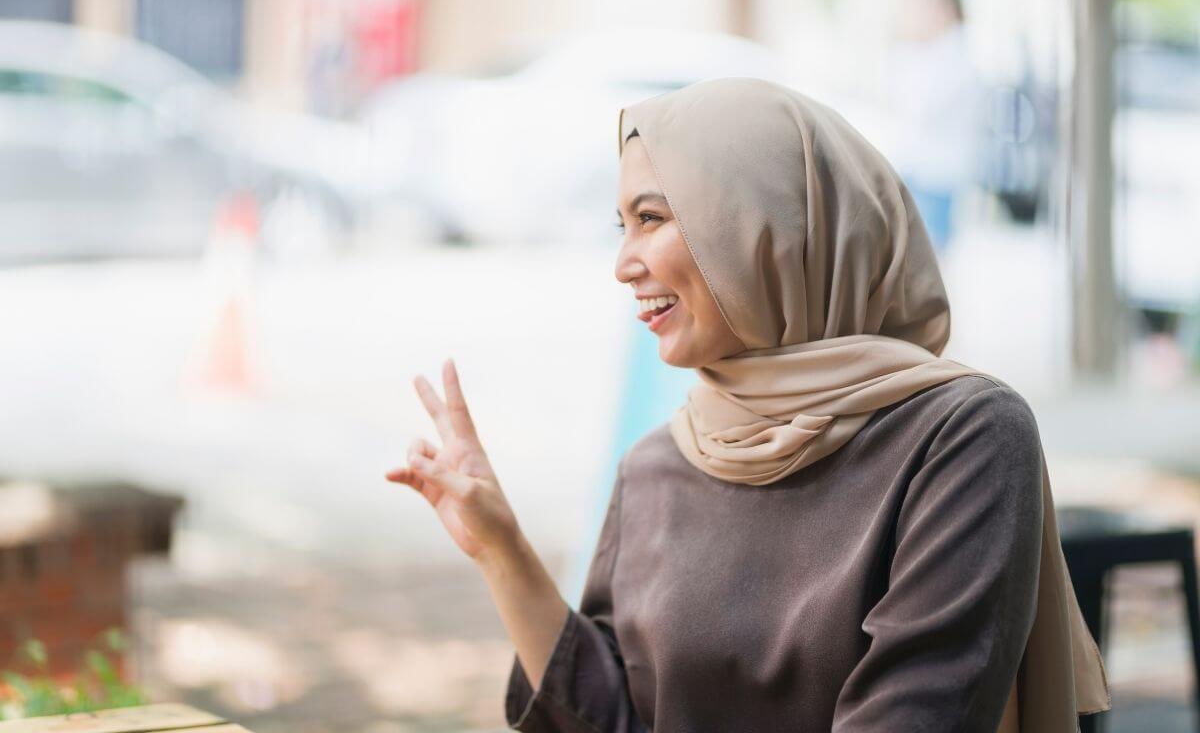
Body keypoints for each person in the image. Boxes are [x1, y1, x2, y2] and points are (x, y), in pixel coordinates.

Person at [384, 77, 1110, 731]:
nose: (623, 263)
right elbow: (609, 720)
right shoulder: (659, 463)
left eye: (652, 218)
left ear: (767, 224)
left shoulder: (961, 437)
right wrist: (500, 548)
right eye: (621, 225)